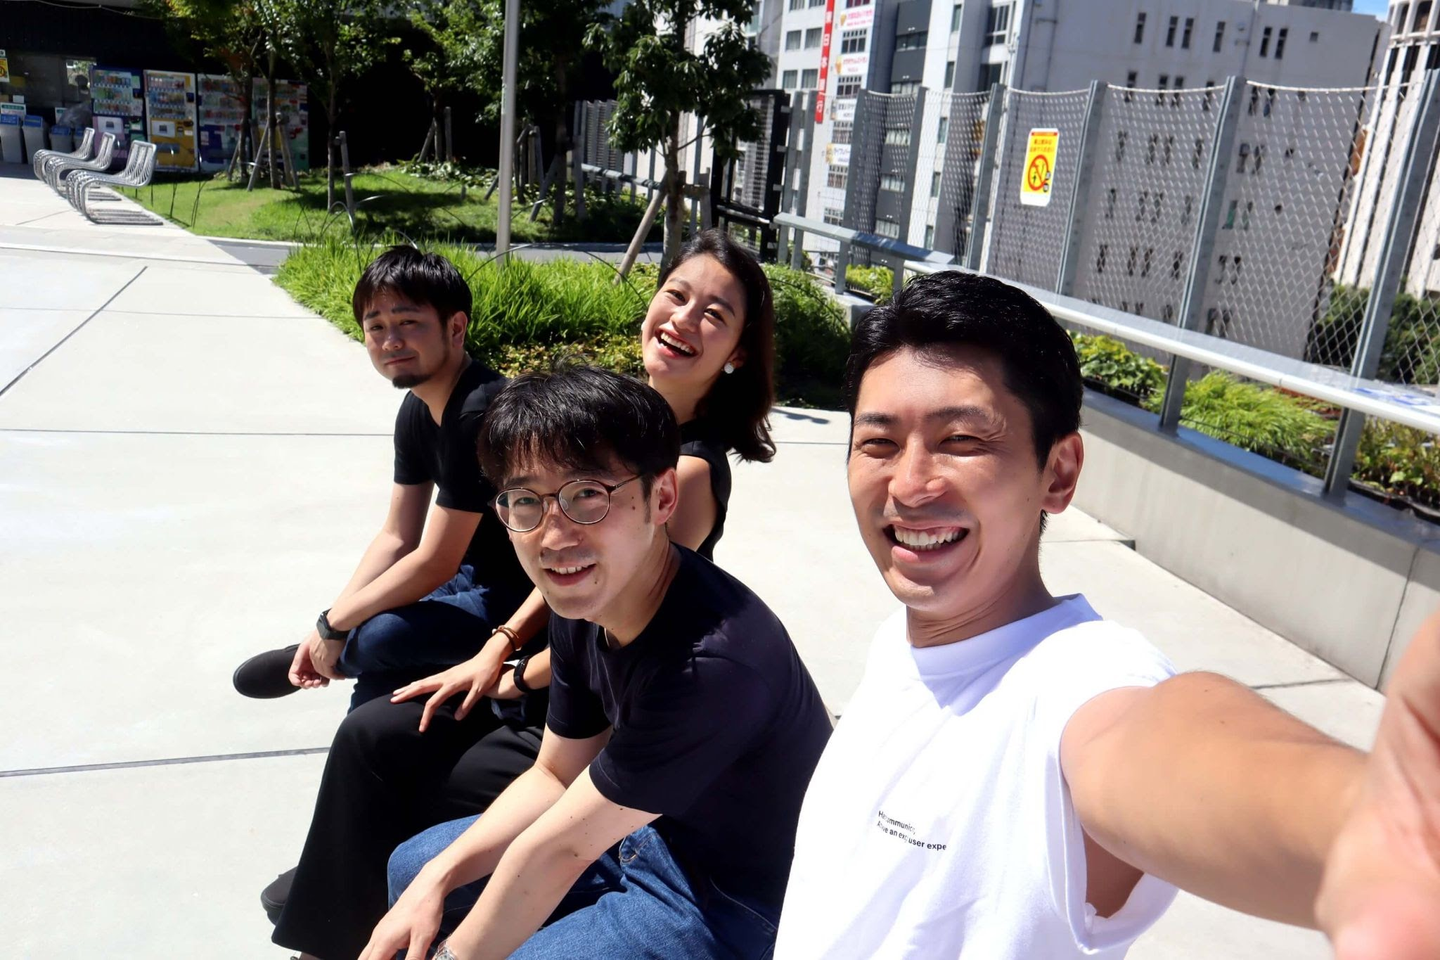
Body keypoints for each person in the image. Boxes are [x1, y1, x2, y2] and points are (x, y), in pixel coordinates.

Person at [772, 270, 1440, 959]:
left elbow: (1150, 745)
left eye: (962, 441)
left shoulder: (1075, 680)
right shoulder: (902, 644)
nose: (910, 485)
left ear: (1059, 473)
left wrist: (1366, 832)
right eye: (879, 444)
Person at [269, 231, 782, 959]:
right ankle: (348, 897)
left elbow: (617, 607)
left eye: (715, 314)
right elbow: (573, 596)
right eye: (676, 294)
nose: (559, 531)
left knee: (398, 738)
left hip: (675, 827)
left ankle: (344, 895)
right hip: (578, 692)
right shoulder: (602, 438)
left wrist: (510, 672)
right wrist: (500, 646)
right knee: (390, 743)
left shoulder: (689, 504)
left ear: (660, 497)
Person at [356, 367, 833, 960]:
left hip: (730, 897)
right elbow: (556, 775)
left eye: (587, 494)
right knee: (416, 868)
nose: (553, 538)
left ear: (662, 497)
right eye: (525, 501)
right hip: (636, 828)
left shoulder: (713, 662)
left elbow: (560, 851)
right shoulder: (585, 599)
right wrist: (437, 878)